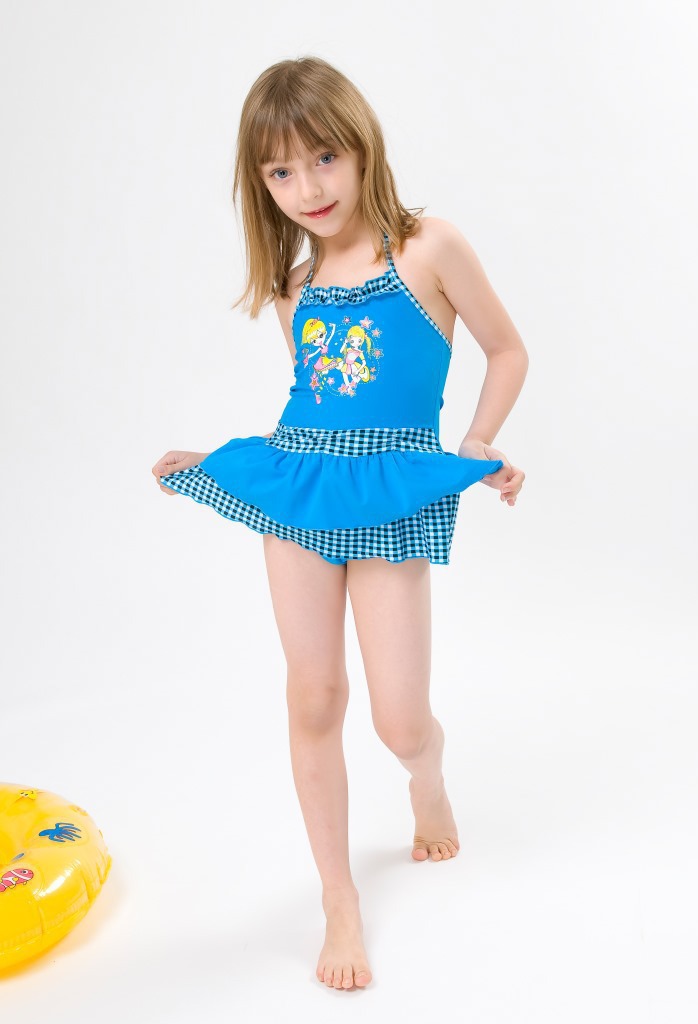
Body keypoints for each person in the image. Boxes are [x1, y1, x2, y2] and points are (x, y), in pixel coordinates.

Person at [151, 55, 528, 991]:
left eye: (323, 158)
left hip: (391, 491)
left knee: (399, 720)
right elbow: (313, 408)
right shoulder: (296, 286)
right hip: (303, 493)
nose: (308, 188)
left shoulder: (427, 248)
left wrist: (475, 442)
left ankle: (426, 780)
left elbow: (506, 349)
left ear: (361, 148)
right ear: (260, 183)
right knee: (313, 697)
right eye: (281, 171)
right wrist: (219, 462)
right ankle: (338, 898)